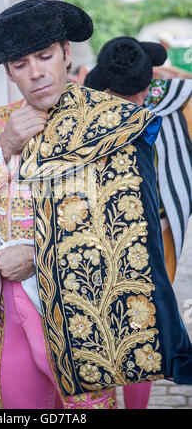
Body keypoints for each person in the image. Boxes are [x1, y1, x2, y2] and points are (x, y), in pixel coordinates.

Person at [0, 1, 192, 410]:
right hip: (11, 307)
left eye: (45, 56)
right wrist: (4, 147)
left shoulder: (111, 122)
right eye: (21, 64)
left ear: (66, 54)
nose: (36, 72)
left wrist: (39, 255)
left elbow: (127, 236)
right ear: (8, 71)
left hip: (82, 313)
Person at [84, 36, 192, 409]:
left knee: (144, 323)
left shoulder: (168, 96)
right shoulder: (92, 105)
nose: (134, 104)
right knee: (112, 325)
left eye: (140, 92)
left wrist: (163, 69)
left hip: (156, 232)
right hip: (104, 236)